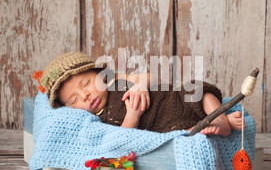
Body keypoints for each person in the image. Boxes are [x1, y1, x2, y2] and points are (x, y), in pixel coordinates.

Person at [34, 52, 244, 136]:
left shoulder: (114, 79)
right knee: (179, 136)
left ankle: (219, 118)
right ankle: (205, 127)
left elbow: (150, 76)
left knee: (197, 90)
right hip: (166, 126)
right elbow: (123, 137)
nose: (85, 95)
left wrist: (140, 85)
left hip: (174, 100)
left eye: (87, 84)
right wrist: (132, 116)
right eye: (74, 100)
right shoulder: (99, 121)